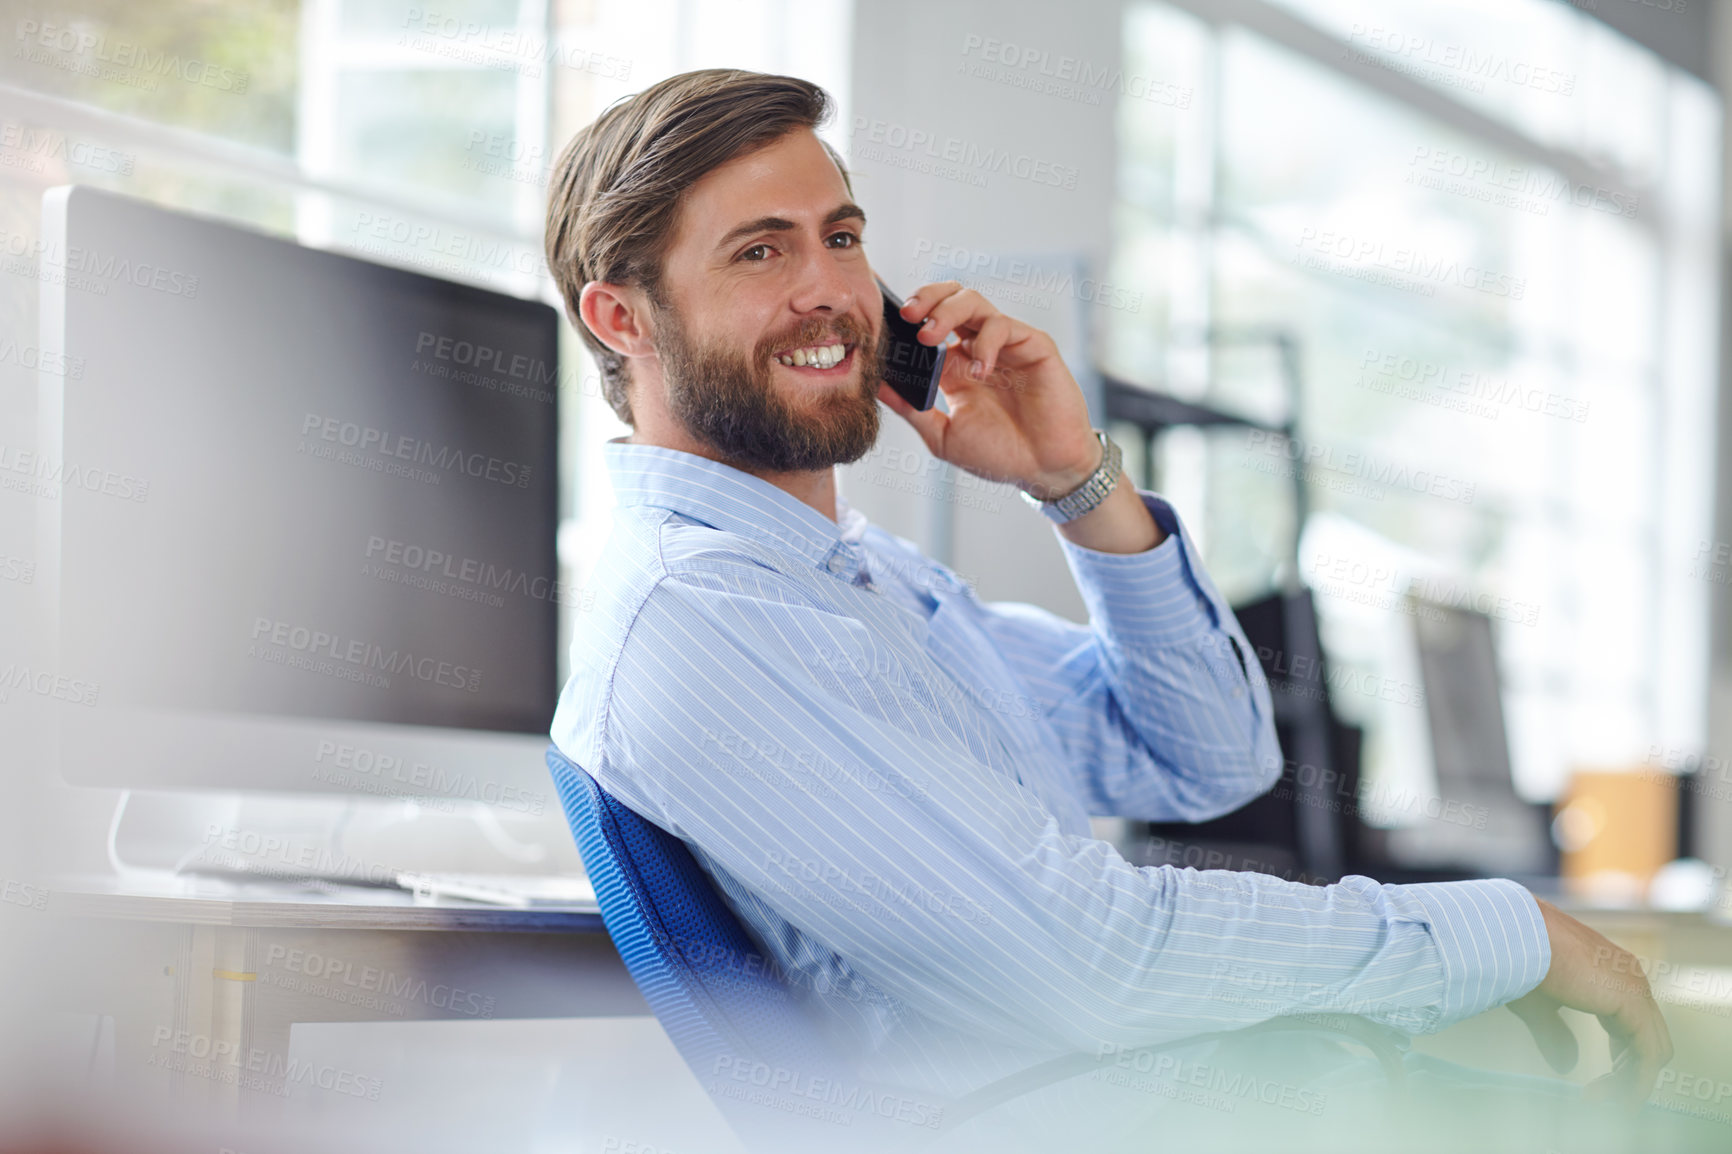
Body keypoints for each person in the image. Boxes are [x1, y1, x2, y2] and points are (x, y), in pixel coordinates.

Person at [543, 68, 1684, 1151]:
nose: (830, 289)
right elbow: (1087, 964)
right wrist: (1504, 932)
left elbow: (1206, 761)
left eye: (841, 236)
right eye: (759, 250)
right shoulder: (706, 614)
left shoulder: (852, 579)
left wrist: (1073, 478)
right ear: (621, 319)